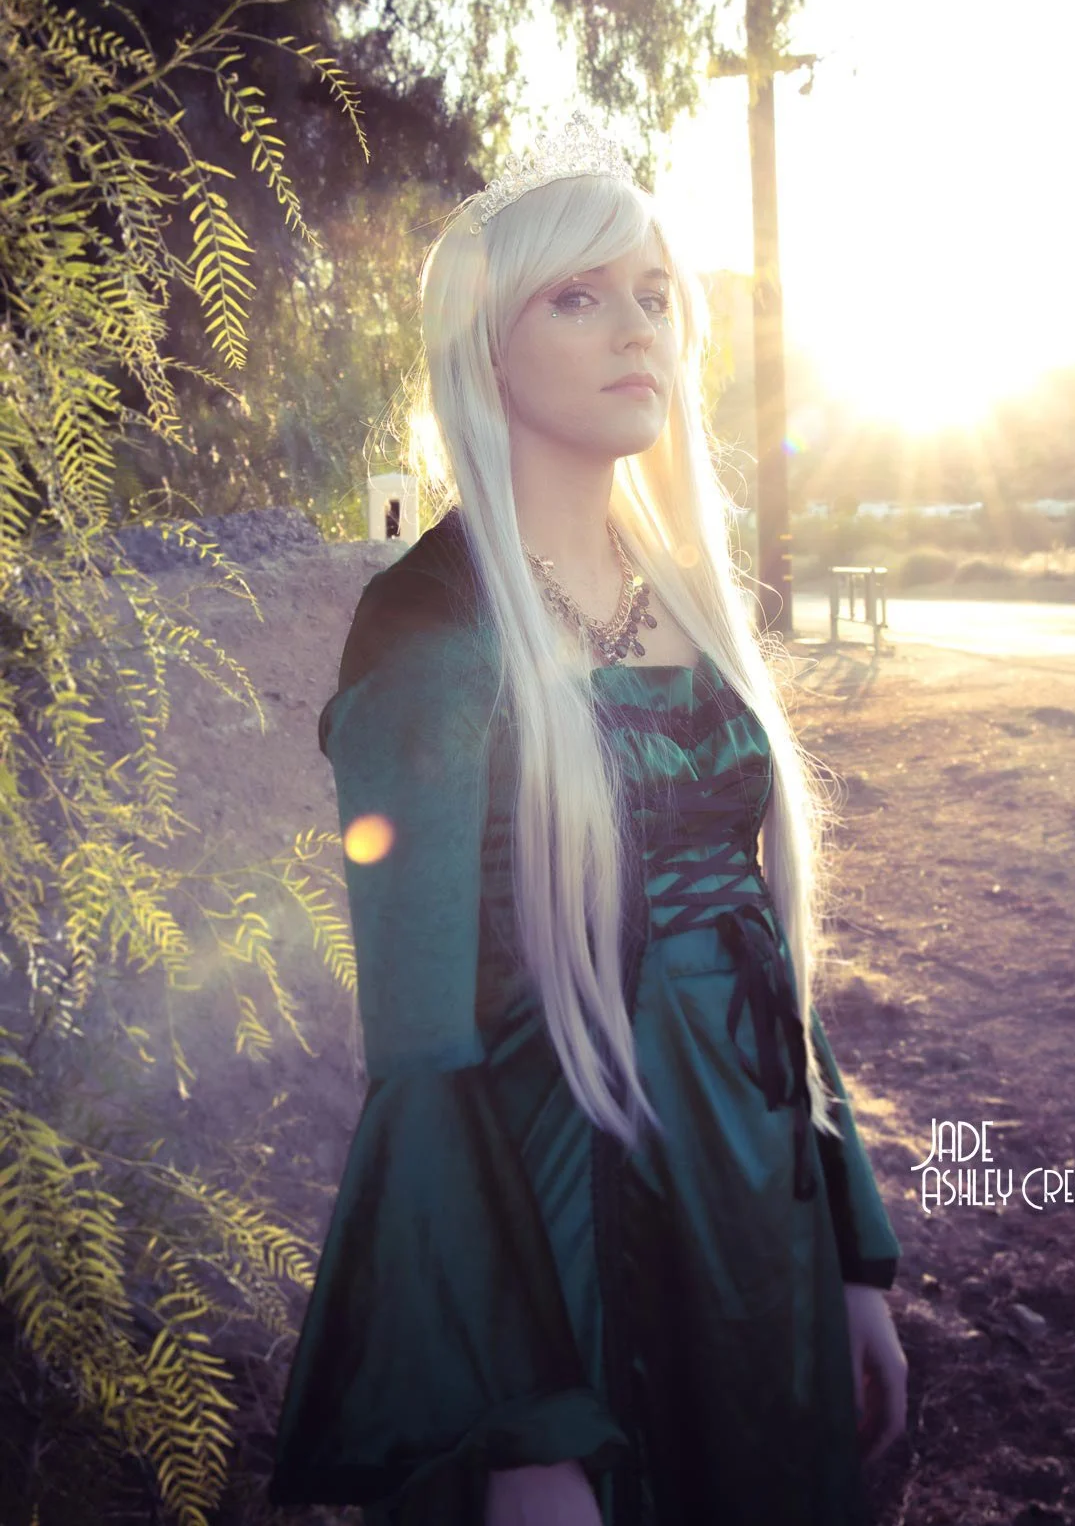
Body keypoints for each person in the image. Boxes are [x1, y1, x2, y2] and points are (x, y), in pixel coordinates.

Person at [267, 112, 907, 1526]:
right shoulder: (429, 630)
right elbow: (426, 1059)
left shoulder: (687, 598)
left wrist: (852, 1256)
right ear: (487, 346)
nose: (639, 331)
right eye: (579, 296)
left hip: (758, 1218)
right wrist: (524, 1431)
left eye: (657, 296)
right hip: (562, 1240)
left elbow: (758, 952)